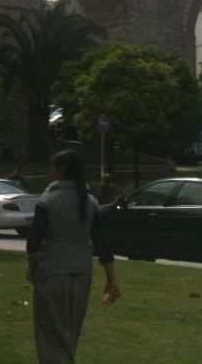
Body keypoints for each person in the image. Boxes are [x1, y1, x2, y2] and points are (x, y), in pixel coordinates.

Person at [27, 150, 120, 364]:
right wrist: (111, 280)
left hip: (51, 275)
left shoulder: (47, 200)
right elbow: (103, 244)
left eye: (52, 168)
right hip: (81, 278)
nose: (49, 173)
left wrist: (32, 268)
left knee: (49, 338)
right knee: (69, 336)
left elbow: (33, 242)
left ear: (62, 170)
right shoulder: (90, 202)